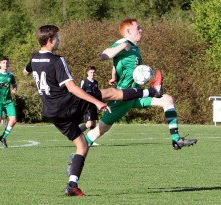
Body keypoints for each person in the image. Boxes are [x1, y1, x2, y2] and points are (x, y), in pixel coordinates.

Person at [22, 25, 162, 196]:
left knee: (82, 145)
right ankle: (152, 91)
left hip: (51, 111)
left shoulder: (35, 58)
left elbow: (25, 71)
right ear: (50, 40)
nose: (59, 40)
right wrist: (96, 102)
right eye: (57, 37)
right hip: (66, 104)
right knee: (109, 93)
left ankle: (72, 185)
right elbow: (72, 88)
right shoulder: (58, 60)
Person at [84, 18, 198, 150]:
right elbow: (104, 55)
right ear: (128, 31)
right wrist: (121, 46)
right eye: (137, 28)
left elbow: (120, 63)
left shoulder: (134, 48)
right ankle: (79, 150)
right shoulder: (123, 42)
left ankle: (176, 139)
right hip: (123, 97)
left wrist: (113, 75)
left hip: (137, 94)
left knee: (167, 100)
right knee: (99, 131)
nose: (141, 30)